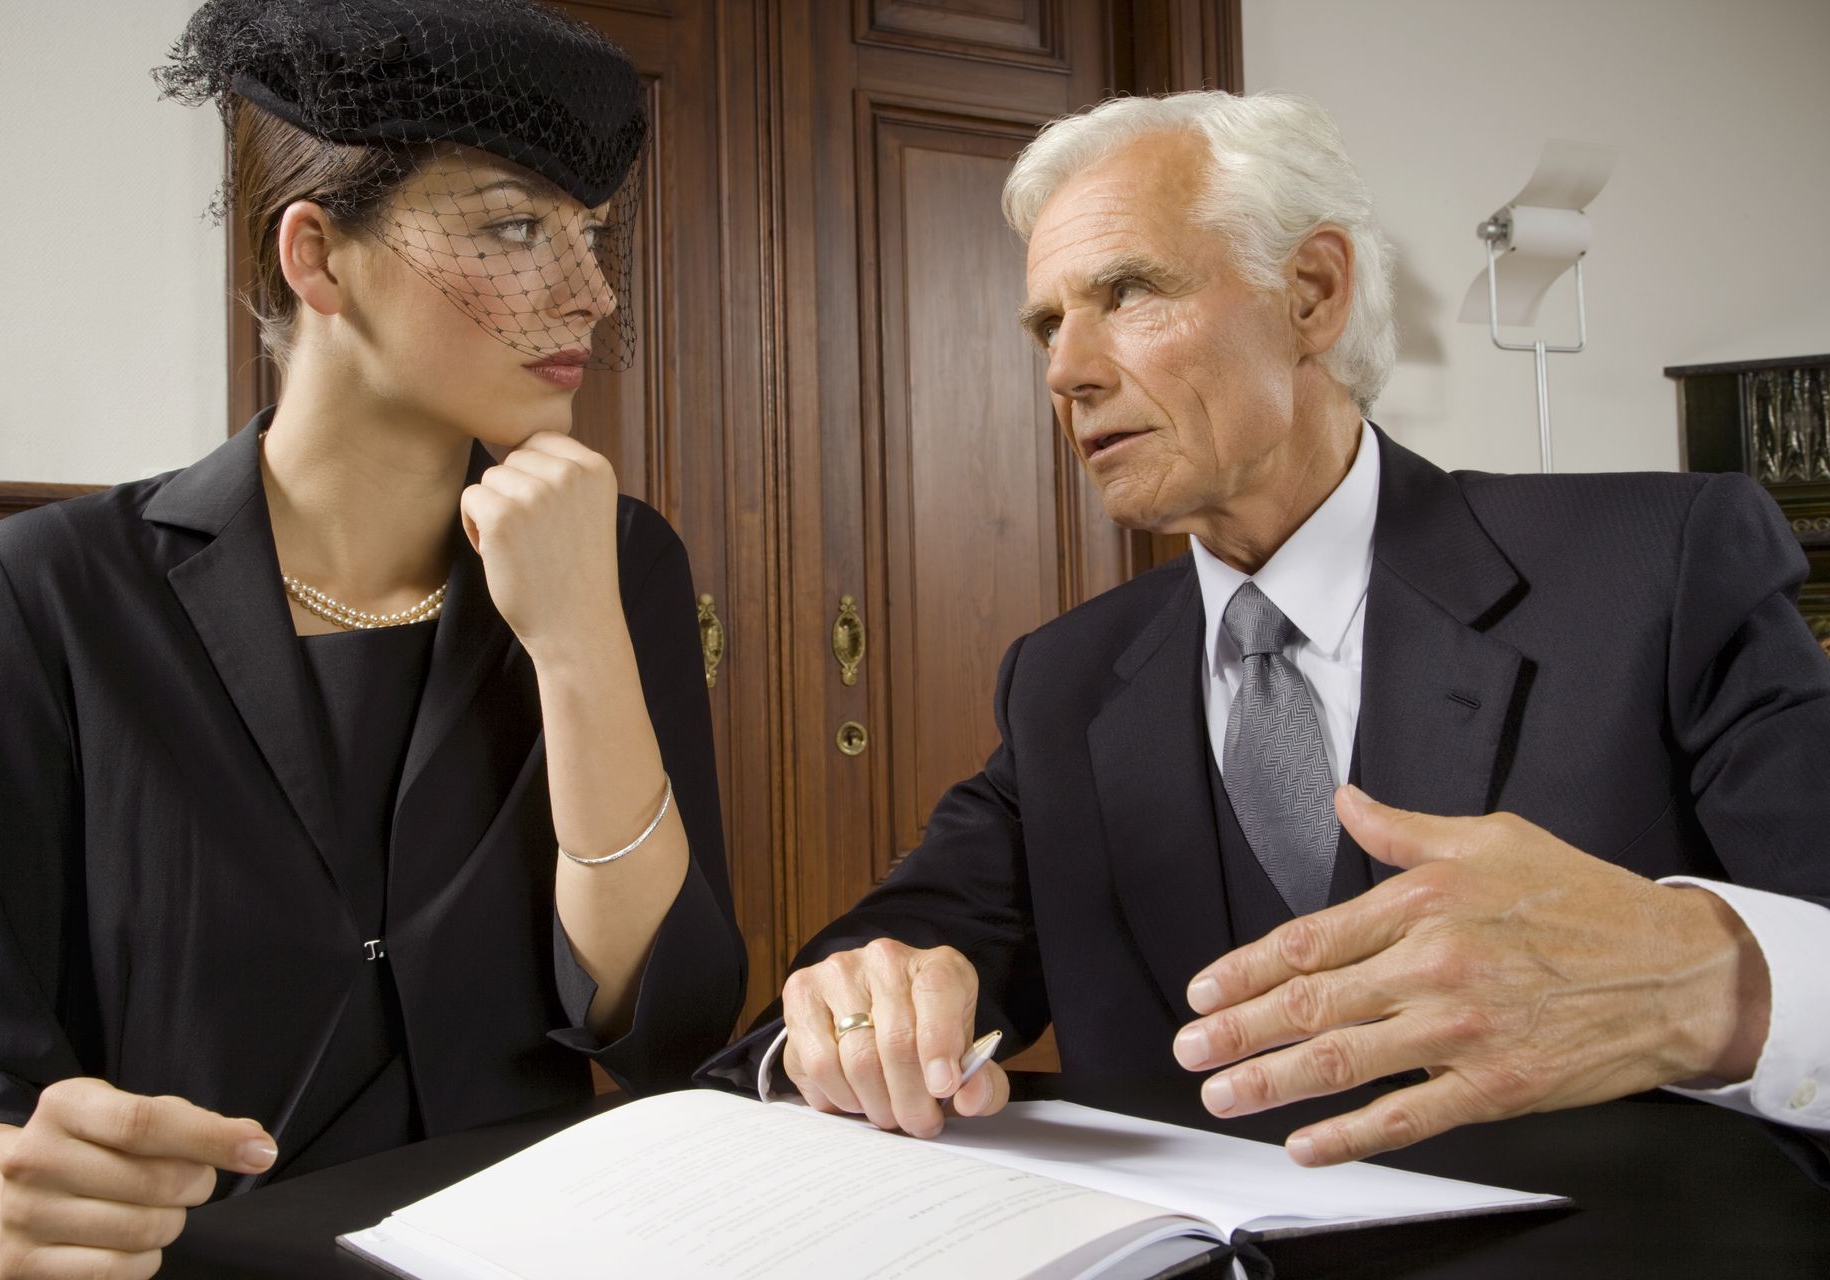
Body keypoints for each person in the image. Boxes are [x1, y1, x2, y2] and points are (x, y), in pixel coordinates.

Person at [703, 90, 1830, 1175]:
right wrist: (859, 1008)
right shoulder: (1061, 681)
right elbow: (893, 951)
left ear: (1312, 293)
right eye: (1048, 324)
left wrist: (1716, 988)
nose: (1066, 371)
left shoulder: (1663, 567)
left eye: (1129, 292)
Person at [0, 1, 745, 1274]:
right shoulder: (47, 591)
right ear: (319, 258)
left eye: (590, 234)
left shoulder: (621, 561)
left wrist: (580, 641)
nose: (593, 291)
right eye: (517, 227)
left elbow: (670, 1022)